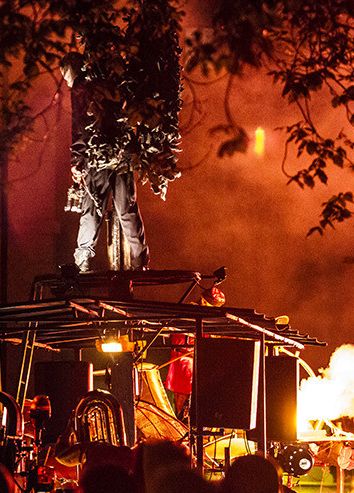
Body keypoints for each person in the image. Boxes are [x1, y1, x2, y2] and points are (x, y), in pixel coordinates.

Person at [60, 51, 150, 273]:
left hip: (98, 157)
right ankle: (140, 261)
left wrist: (77, 159)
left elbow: (79, 126)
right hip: (123, 154)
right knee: (127, 208)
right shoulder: (113, 81)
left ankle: (82, 260)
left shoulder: (81, 88)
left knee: (92, 209)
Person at [164, 287, 226, 418]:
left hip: (197, 362)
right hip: (183, 360)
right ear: (203, 300)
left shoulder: (208, 317)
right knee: (184, 398)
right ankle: (184, 424)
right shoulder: (189, 311)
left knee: (198, 401)